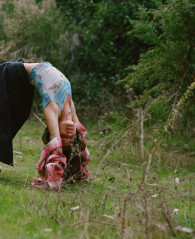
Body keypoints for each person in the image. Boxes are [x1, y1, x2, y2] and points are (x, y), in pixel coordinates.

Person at [0, 60, 90, 190]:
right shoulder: (70, 111)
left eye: (64, 137)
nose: (69, 134)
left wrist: (54, 180)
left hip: (13, 77)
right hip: (15, 75)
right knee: (8, 118)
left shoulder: (52, 109)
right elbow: (82, 139)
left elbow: (55, 143)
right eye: (70, 139)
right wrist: (81, 171)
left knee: (8, 120)